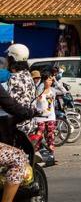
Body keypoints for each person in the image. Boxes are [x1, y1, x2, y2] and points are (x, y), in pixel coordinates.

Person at [0, 72, 38, 202]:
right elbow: (10, 105)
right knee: (19, 158)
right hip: (21, 116)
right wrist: (28, 112)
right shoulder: (26, 77)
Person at [6, 44, 36, 137]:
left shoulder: (15, 78)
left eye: (8, 57)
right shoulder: (28, 75)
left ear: (12, 59)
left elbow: (9, 104)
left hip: (17, 126)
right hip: (29, 124)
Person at [33, 71, 56, 162]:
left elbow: (63, 91)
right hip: (40, 118)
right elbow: (34, 103)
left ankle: (51, 157)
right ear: (44, 81)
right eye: (48, 80)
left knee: (50, 137)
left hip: (51, 117)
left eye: (51, 80)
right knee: (38, 137)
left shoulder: (53, 91)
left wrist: (56, 81)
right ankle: (35, 155)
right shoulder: (39, 90)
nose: (50, 82)